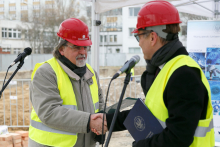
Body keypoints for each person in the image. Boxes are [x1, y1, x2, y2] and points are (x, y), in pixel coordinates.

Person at [92, 1, 215, 147]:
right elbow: (149, 113)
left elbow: (178, 137)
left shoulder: (184, 75)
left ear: (152, 37)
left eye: (139, 37)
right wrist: (109, 120)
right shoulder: (164, 69)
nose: (138, 43)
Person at [29, 18, 107, 147]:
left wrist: (103, 118)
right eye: (76, 47)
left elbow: (100, 103)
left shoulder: (91, 73)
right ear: (61, 49)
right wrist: (89, 121)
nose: (82, 52)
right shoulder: (46, 72)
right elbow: (49, 112)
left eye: (85, 47)